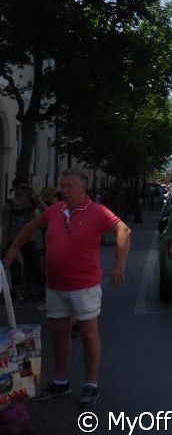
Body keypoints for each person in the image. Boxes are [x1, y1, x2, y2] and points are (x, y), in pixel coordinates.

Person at [2, 168, 131, 408]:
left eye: (69, 186)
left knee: (88, 334)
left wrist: (118, 265)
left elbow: (123, 230)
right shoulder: (55, 211)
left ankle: (90, 384)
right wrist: (14, 247)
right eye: (62, 186)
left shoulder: (96, 211)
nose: (64, 190)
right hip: (56, 285)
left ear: (83, 189)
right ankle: (61, 382)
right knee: (59, 334)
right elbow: (31, 226)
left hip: (84, 286)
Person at [2, 181, 46, 304]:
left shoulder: (31, 202)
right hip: (14, 239)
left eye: (26, 188)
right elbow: (5, 226)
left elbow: (46, 210)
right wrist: (5, 244)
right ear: (15, 188)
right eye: (22, 187)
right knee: (15, 267)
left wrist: (35, 195)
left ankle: (41, 288)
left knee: (36, 264)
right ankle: (17, 292)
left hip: (29, 240)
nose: (24, 190)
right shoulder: (9, 205)